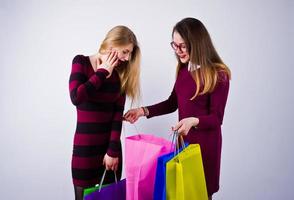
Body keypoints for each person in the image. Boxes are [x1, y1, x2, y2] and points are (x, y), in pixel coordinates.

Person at [124, 17, 231, 199]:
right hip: (184, 145)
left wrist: (193, 121)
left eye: (183, 45)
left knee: (200, 193)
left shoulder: (218, 74)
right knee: (182, 192)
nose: (178, 51)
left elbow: (216, 118)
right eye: (175, 45)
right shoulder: (183, 70)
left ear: (197, 43)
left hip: (205, 149)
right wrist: (142, 111)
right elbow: (172, 103)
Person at [69, 25, 141, 200]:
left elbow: (117, 116)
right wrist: (102, 72)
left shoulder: (120, 75)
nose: (127, 58)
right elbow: (76, 96)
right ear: (112, 44)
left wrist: (112, 151)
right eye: (125, 52)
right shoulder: (81, 62)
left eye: (130, 53)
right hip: (85, 150)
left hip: (110, 152)